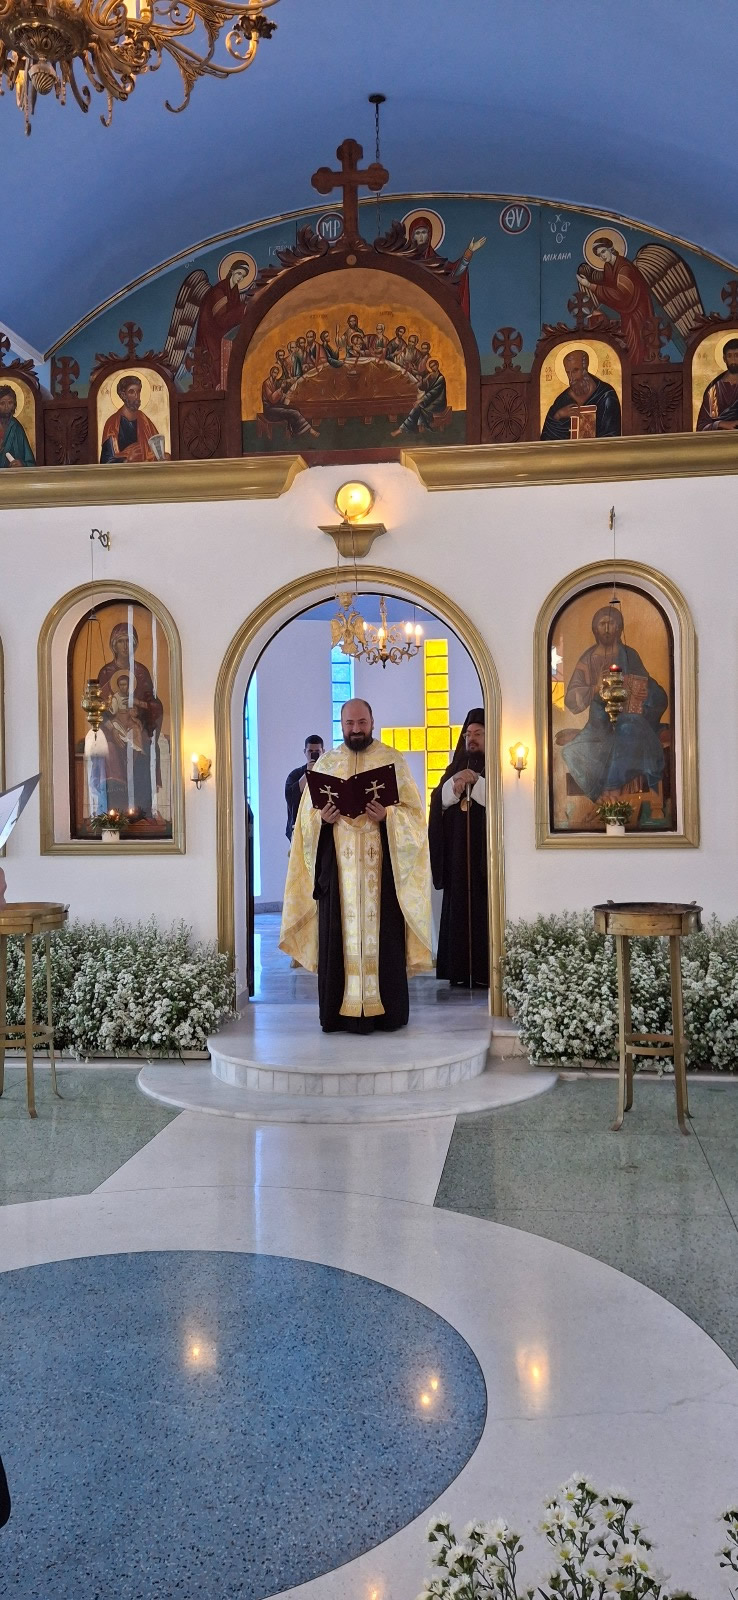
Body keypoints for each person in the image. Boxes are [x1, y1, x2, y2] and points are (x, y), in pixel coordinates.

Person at [280, 699, 432, 1032]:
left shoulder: (393, 760)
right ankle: (338, 1014)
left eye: (362, 722)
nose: (356, 729)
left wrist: (388, 815)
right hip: (338, 876)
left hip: (383, 876)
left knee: (385, 940)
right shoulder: (327, 763)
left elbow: (416, 819)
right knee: (337, 938)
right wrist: (323, 819)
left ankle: (388, 1014)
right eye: (350, 723)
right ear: (342, 725)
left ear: (372, 722)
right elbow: (304, 823)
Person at [560, 603, 667, 810]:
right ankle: (603, 795)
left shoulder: (630, 655)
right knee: (571, 752)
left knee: (626, 731)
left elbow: (651, 688)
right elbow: (571, 698)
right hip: (599, 722)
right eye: (602, 624)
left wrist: (646, 693)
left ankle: (611, 789)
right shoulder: (588, 659)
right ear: (595, 629)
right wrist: (595, 687)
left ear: (619, 628)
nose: (607, 628)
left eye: (611, 623)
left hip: (629, 719)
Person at [429, 708, 488, 989]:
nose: (471, 739)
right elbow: (437, 802)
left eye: (478, 733)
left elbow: (503, 799)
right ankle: (458, 970)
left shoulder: (498, 766)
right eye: (468, 734)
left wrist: (476, 781)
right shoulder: (455, 767)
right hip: (457, 856)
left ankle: (484, 971)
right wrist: (453, 786)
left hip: (484, 857)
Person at [96, 623, 164, 816]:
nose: (125, 646)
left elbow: (154, 703)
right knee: (109, 749)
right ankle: (113, 811)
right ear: (113, 645)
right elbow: (98, 707)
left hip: (136, 724)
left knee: (145, 747)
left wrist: (140, 705)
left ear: (135, 645)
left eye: (129, 642)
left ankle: (142, 809)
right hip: (111, 726)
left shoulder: (141, 672)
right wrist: (112, 729)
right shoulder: (105, 673)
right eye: (121, 641)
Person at [576, 237, 655, 365]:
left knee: (633, 345)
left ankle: (632, 367)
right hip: (623, 308)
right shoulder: (608, 267)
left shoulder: (624, 268)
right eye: (599, 255)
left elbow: (622, 296)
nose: (602, 256)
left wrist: (590, 285)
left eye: (603, 251)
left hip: (635, 311)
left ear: (611, 249)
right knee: (595, 317)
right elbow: (608, 292)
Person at [541, 349, 621, 440]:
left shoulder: (605, 395)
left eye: (575, 371)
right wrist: (558, 415)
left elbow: (612, 436)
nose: (571, 378)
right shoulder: (562, 400)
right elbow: (547, 439)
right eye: (568, 372)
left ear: (585, 369)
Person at [100, 376, 163, 463]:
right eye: (131, 392)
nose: (137, 396)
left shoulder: (145, 420)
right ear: (123, 395)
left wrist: (163, 457)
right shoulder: (112, 423)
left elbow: (155, 452)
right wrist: (127, 460)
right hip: (123, 472)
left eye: (138, 391)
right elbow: (106, 462)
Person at [285, 735, 324, 842]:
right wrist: (308, 773)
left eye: (317, 751)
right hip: (300, 828)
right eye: (310, 751)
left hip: (323, 829)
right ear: (305, 752)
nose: (313, 754)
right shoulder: (295, 774)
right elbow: (290, 796)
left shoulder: (329, 773)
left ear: (323, 752)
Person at [392, 359, 447, 435]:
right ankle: (405, 428)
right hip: (430, 401)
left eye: (434, 365)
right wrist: (425, 380)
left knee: (419, 407)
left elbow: (433, 393)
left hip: (438, 403)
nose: (433, 368)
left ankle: (404, 429)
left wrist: (420, 400)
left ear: (438, 365)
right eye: (431, 366)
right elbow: (423, 388)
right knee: (417, 408)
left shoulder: (440, 378)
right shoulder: (431, 376)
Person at [261, 367, 318, 438]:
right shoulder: (266, 383)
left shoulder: (275, 382)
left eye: (276, 373)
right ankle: (310, 430)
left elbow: (278, 398)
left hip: (275, 406)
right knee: (293, 412)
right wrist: (281, 388)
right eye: (274, 372)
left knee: (296, 409)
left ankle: (295, 432)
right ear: (271, 372)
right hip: (269, 410)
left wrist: (286, 396)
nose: (275, 375)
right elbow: (272, 399)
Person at [696, 338, 738, 430]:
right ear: (724, 359)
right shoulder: (715, 389)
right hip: (720, 437)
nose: (733, 360)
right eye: (729, 356)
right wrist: (721, 424)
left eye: (736, 355)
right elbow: (702, 426)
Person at [0, 384, 35, 467]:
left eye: (10, 403)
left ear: (14, 404)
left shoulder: (16, 427)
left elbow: (30, 462)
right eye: (2, 403)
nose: (6, 407)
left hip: (12, 474)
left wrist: (22, 464)